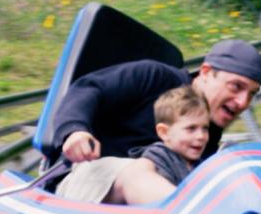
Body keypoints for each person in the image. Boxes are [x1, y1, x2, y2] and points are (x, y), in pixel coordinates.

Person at [41, 38, 261, 184]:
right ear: (206, 73)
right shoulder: (154, 77)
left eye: (252, 94)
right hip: (89, 182)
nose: (243, 102)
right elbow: (89, 88)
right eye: (236, 87)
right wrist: (75, 131)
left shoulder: (207, 134)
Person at [55, 86, 212, 205]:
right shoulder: (159, 158)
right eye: (191, 129)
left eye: (205, 128)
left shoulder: (199, 165)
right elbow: (142, 170)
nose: (201, 136)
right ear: (164, 132)